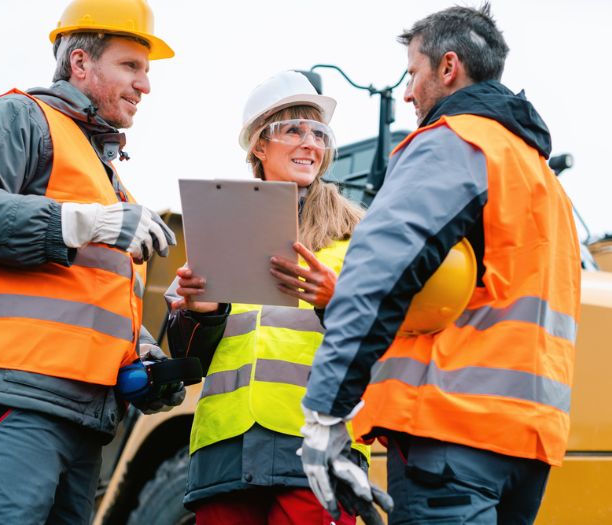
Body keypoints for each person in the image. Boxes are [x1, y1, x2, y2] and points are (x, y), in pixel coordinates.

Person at [299, 4, 581, 525]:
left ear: (447, 67)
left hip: (449, 435)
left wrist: (325, 412)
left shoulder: (453, 143)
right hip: (529, 442)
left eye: (413, 73)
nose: (407, 93)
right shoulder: (541, 178)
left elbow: (378, 275)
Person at [0, 0, 183, 523]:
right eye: (131, 66)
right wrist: (85, 222)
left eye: (146, 71)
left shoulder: (111, 183)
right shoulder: (19, 116)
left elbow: (90, 298)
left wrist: (144, 356)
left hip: (82, 414)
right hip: (14, 395)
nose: (145, 85)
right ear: (81, 63)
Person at [166, 70, 390, 525]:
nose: (310, 143)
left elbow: (390, 347)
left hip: (319, 453)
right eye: (293, 129)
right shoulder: (218, 229)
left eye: (319, 133)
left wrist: (334, 301)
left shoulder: (360, 235)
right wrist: (202, 314)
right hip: (225, 454)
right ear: (258, 145)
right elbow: (187, 361)